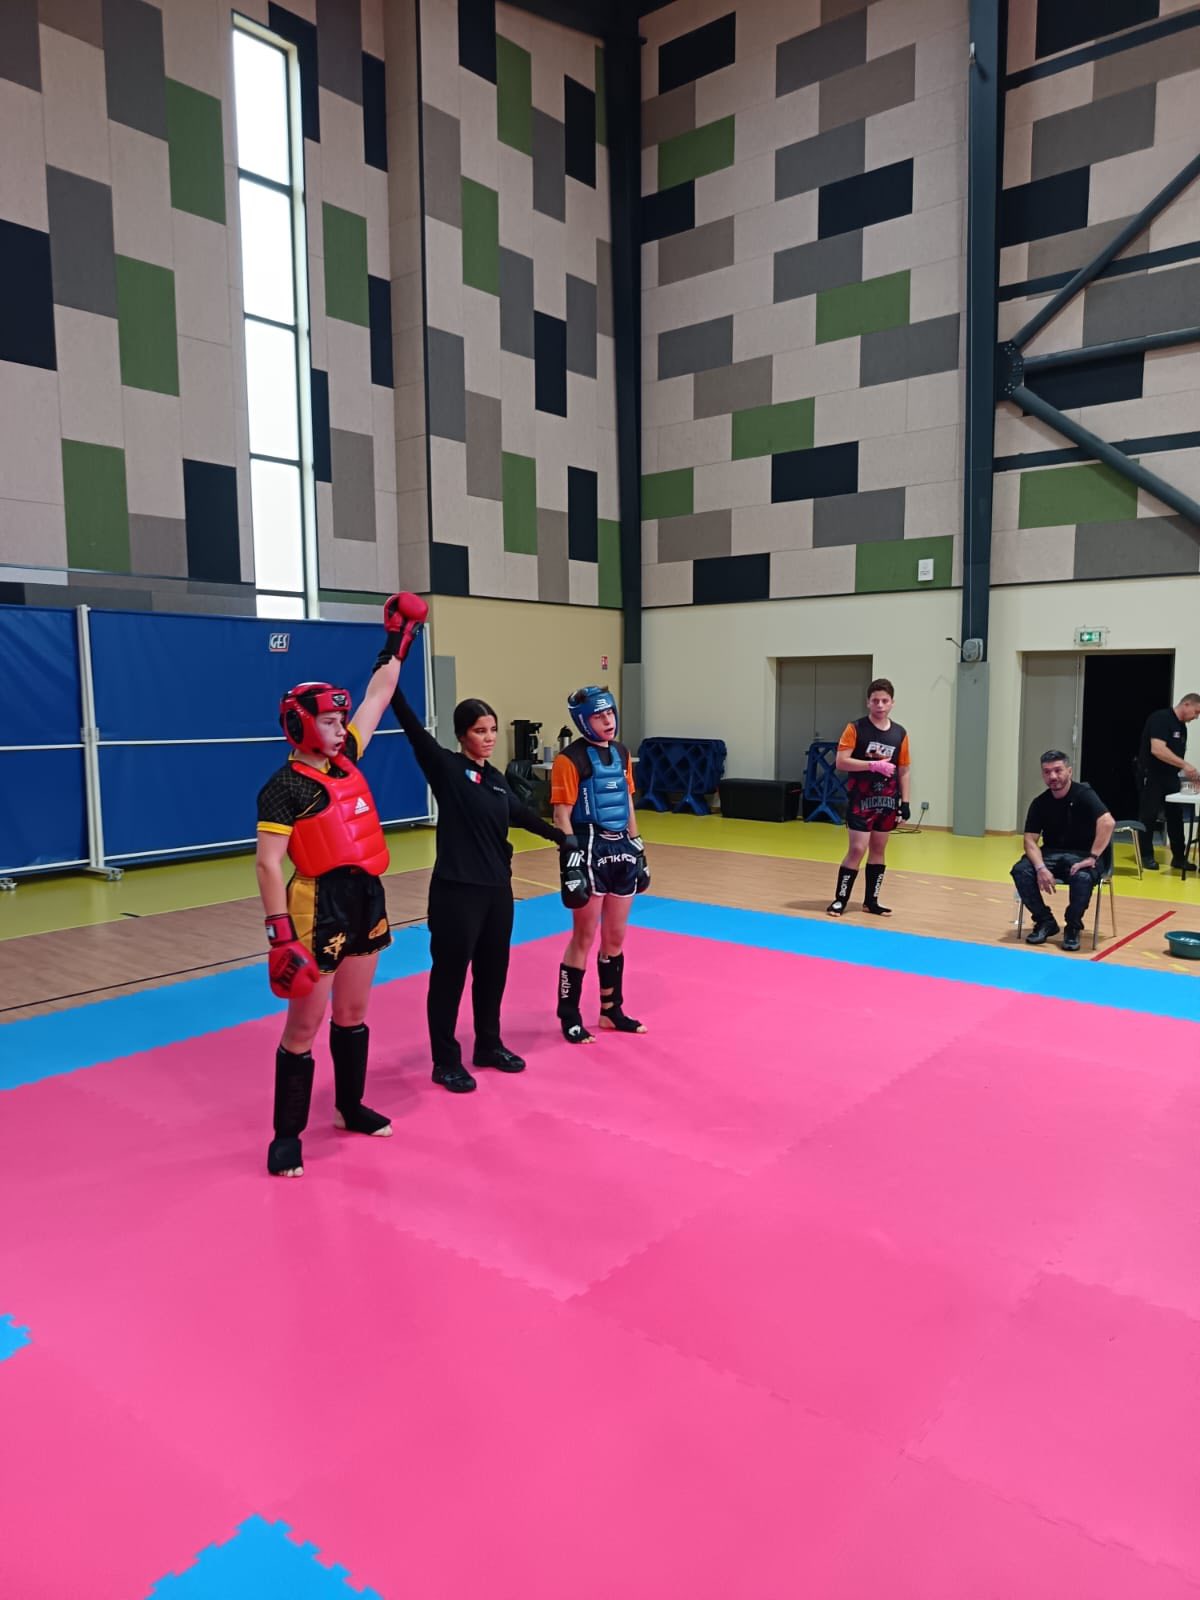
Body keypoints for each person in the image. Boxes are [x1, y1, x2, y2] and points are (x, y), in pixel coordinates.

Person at [254, 592, 427, 1177]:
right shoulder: (284, 787)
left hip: (366, 897)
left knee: (353, 1013)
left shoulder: (348, 756)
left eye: (337, 721)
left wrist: (398, 638)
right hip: (316, 905)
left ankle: (350, 1107)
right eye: (327, 721)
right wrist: (280, 934)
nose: (337, 730)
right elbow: (268, 864)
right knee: (304, 1026)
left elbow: (379, 693)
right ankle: (286, 1137)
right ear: (299, 725)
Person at [382, 610, 566, 1094]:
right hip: (456, 892)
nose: (488, 738)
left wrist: (560, 837)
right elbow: (410, 725)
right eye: (480, 731)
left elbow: (519, 814)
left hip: (496, 892)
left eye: (492, 730)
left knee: (492, 972)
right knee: (449, 977)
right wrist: (391, 664)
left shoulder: (495, 778)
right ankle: (445, 1061)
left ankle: (488, 1044)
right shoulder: (445, 768)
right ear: (462, 734)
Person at [551, 685, 650, 1044]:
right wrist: (571, 861)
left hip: (621, 848)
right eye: (598, 715)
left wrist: (639, 848)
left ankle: (611, 1011)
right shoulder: (569, 760)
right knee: (584, 936)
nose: (608, 720)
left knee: (616, 936)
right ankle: (569, 1014)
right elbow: (561, 814)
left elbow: (627, 802)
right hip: (589, 848)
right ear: (583, 721)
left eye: (610, 713)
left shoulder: (622, 753)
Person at [1011, 750, 1114, 952]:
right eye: (1047, 772)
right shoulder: (1040, 803)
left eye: (1058, 770)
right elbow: (1030, 840)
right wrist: (1040, 868)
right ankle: (1045, 921)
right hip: (1051, 854)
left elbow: (1107, 822)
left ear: (1069, 771)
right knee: (1021, 871)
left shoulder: (1085, 795)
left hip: (1083, 855)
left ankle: (1073, 926)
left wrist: (1092, 857)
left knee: (1082, 877)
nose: (1053, 776)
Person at [827, 678, 911, 917]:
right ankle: (840, 899)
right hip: (861, 800)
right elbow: (841, 762)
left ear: (892, 703)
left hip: (887, 801)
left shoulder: (900, 733)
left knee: (878, 849)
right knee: (857, 849)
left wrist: (905, 802)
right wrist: (872, 765)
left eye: (885, 701)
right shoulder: (855, 728)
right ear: (868, 702)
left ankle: (871, 901)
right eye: (876, 701)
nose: (880, 705)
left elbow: (904, 769)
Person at [1136, 693, 1200, 870]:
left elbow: (1175, 757)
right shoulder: (1161, 718)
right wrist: (1185, 765)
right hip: (1153, 775)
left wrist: (1191, 775)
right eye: (1196, 712)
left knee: (1175, 816)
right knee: (1149, 815)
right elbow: (1158, 749)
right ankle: (1146, 855)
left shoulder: (1182, 727)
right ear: (1186, 705)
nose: (1196, 717)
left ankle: (1179, 857)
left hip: (1171, 776)